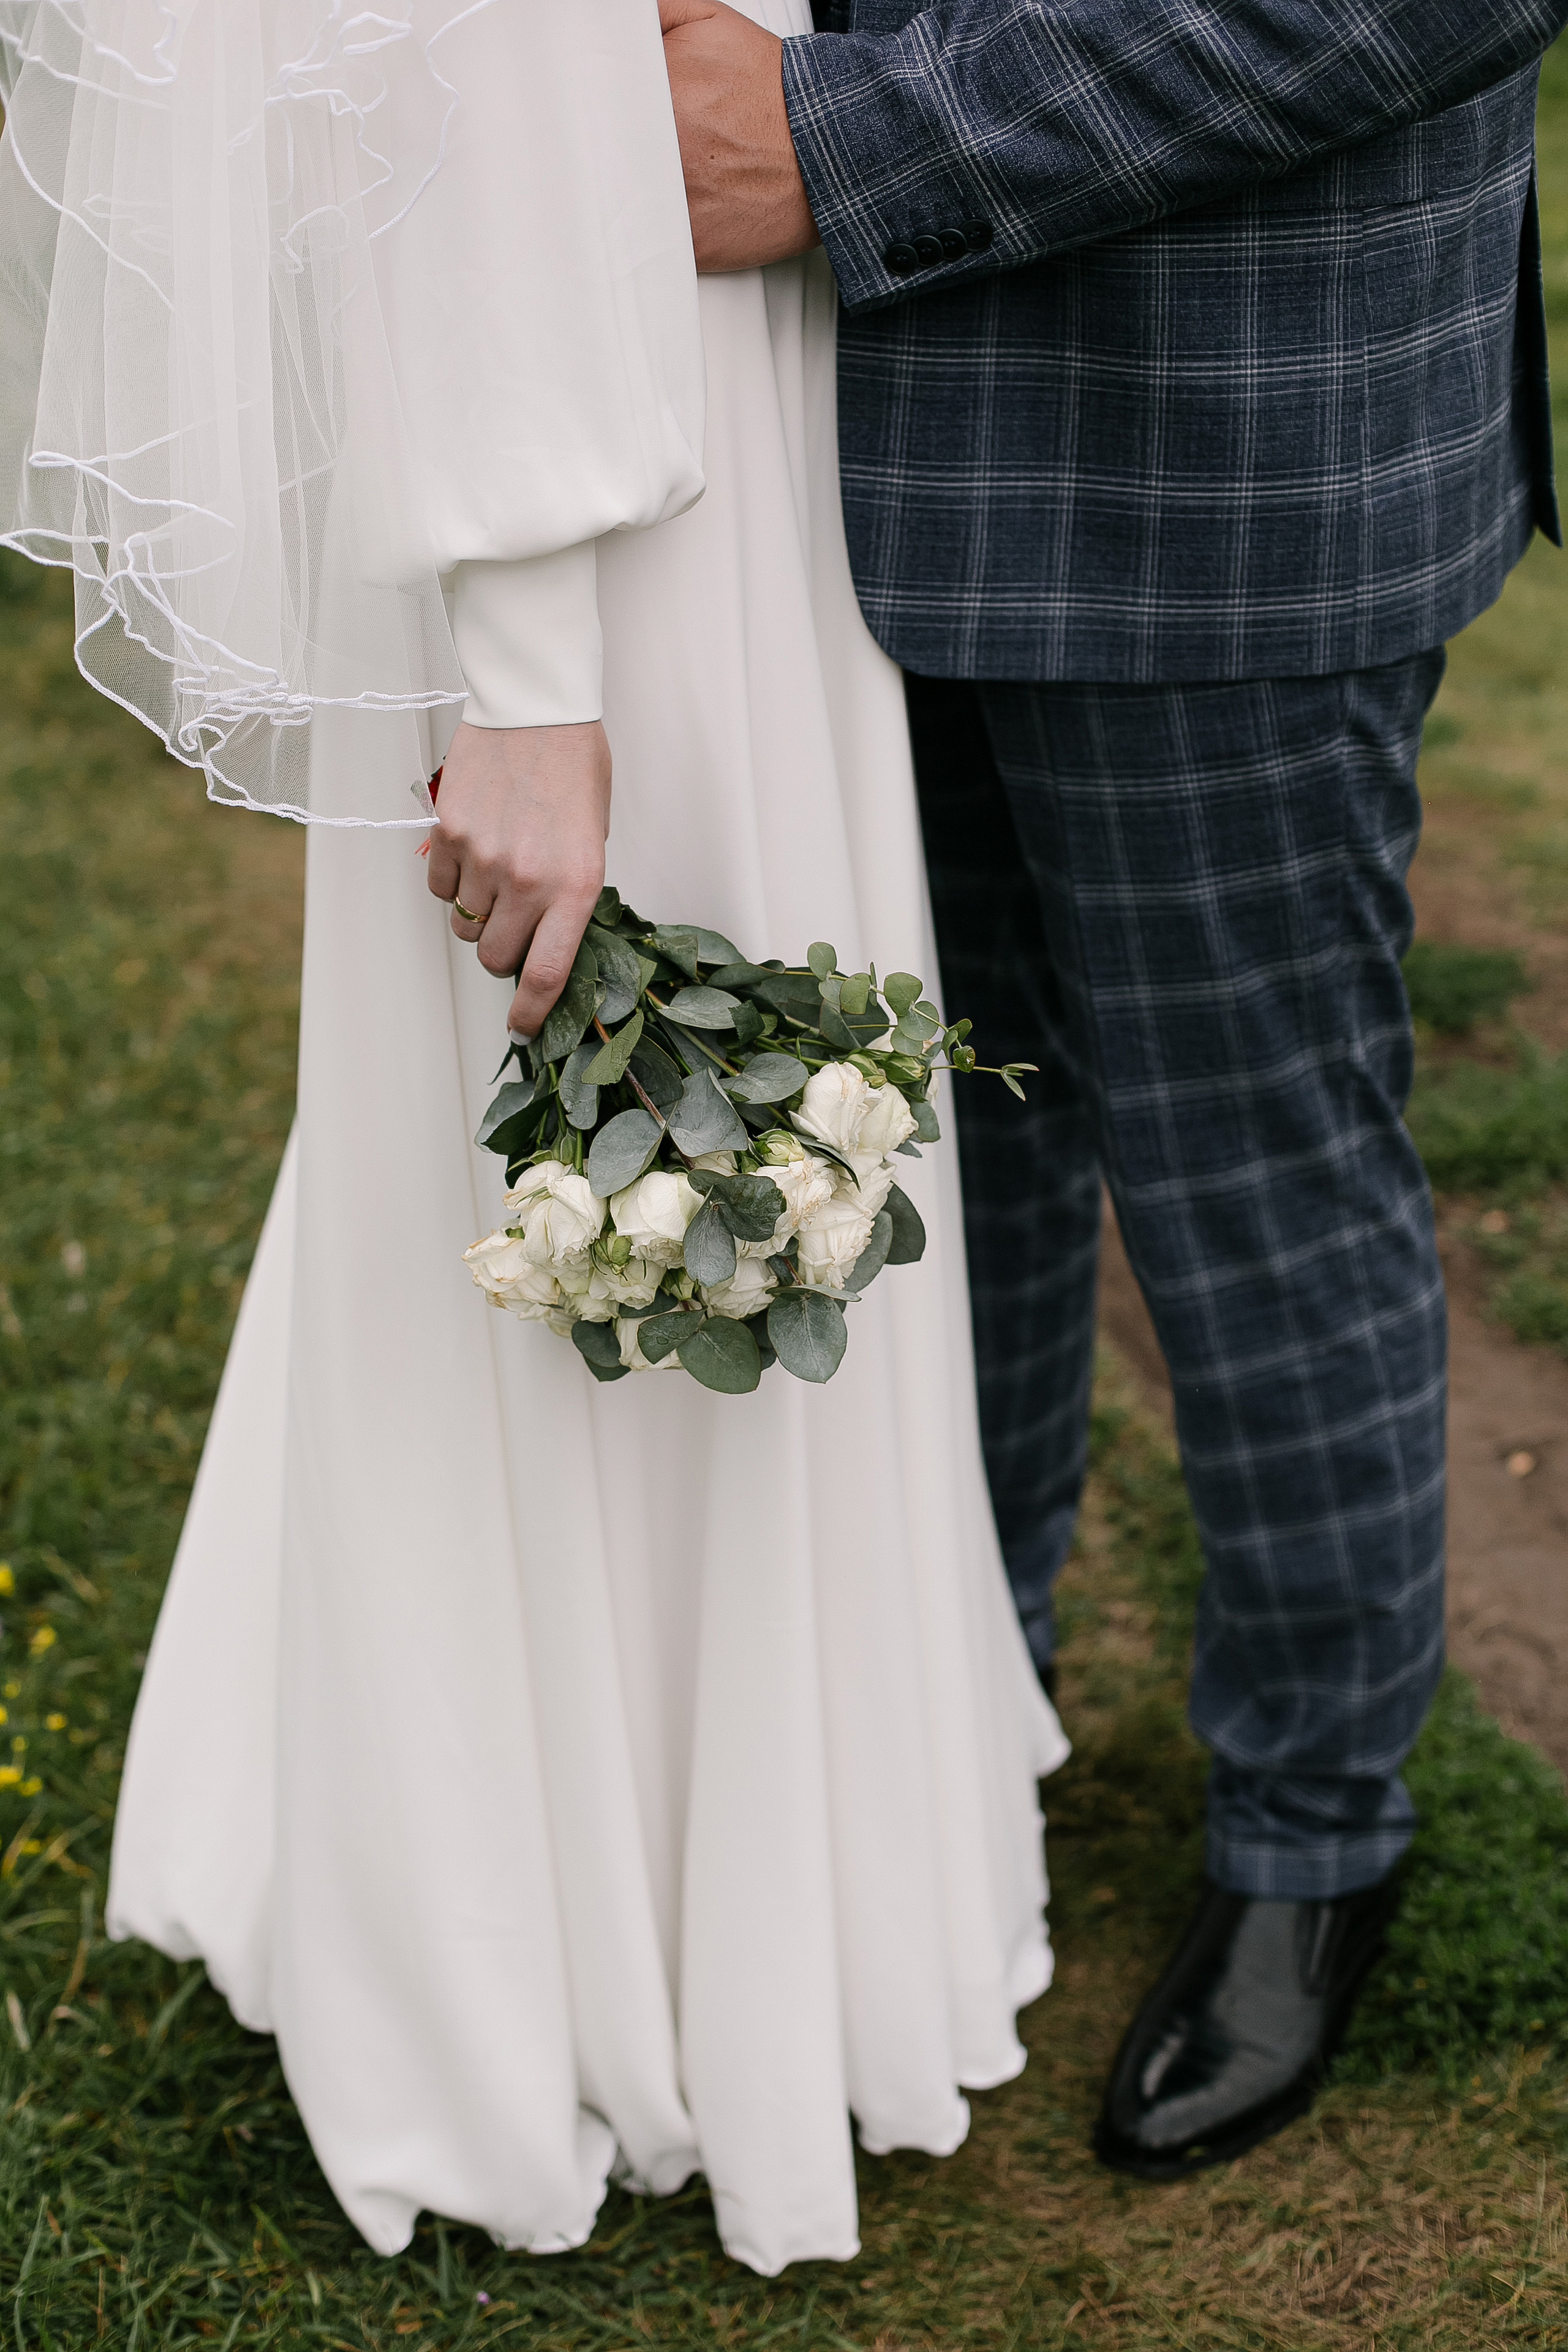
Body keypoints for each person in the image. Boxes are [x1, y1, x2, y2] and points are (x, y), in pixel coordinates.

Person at [0, 0, 1066, 2277]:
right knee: (590, 1164)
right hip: (615, 496)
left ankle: (702, 1902)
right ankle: (573, 1958)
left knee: (697, 1172)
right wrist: (532, 673)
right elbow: (475, 68)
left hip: (696, 418)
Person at [654, 0, 1567, 2177]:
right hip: (786, 449)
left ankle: (1315, 1831)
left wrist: (855, 137)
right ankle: (970, 1726)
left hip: (1231, 426)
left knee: (1256, 1173)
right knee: (925, 1152)